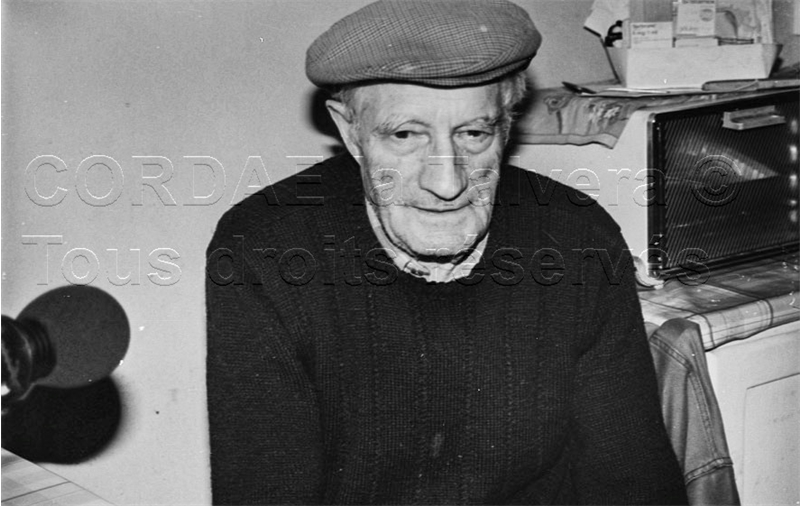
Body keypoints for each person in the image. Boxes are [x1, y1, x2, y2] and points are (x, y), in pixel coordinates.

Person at [205, 0, 688, 504]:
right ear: (351, 132)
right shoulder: (266, 253)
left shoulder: (577, 240)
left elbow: (634, 481)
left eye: (474, 133)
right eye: (405, 135)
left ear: (506, 127)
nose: (446, 182)